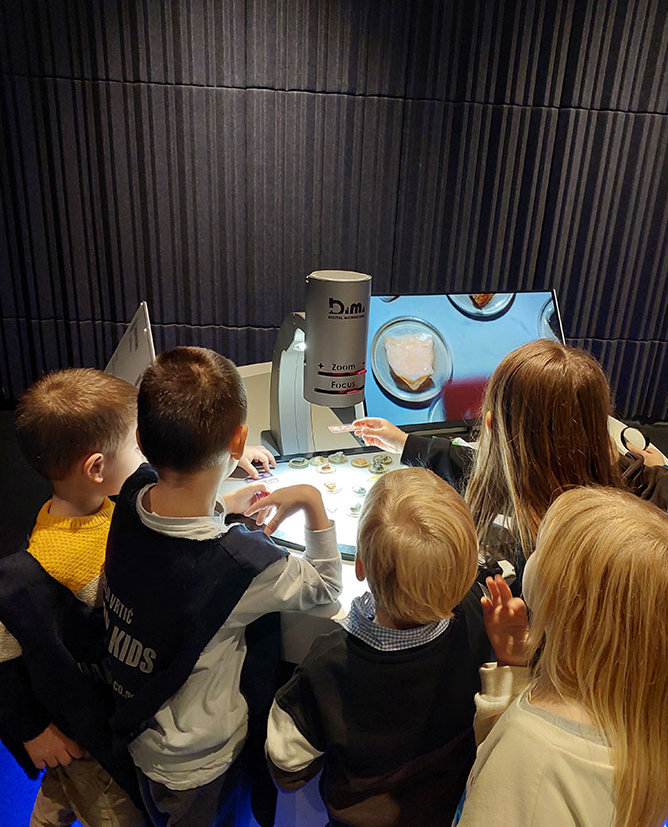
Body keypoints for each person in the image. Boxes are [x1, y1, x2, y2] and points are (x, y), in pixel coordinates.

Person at [103, 346, 342, 827]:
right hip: (198, 765)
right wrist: (310, 500)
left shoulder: (131, 493)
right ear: (240, 441)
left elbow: (175, 516)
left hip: (135, 725)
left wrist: (224, 504)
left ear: (142, 442)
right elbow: (326, 585)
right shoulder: (241, 564)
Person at [266, 467, 492, 827]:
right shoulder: (479, 616)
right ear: (467, 573)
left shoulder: (327, 665)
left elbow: (288, 768)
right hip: (445, 809)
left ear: (359, 565)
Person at [454, 486, 668, 827]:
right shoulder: (640, 728)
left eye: (542, 547)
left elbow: (512, 777)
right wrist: (513, 666)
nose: (532, 553)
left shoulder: (528, 759)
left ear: (572, 606)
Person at [0, 368, 148, 826]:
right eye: (138, 447)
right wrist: (30, 730)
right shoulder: (46, 567)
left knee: (58, 794)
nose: (145, 455)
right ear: (96, 469)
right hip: (88, 739)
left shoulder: (85, 509)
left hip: (83, 724)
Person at [355, 340, 625, 565]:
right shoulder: (612, 496)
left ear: (491, 425)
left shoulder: (537, 558)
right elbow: (481, 469)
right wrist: (405, 443)